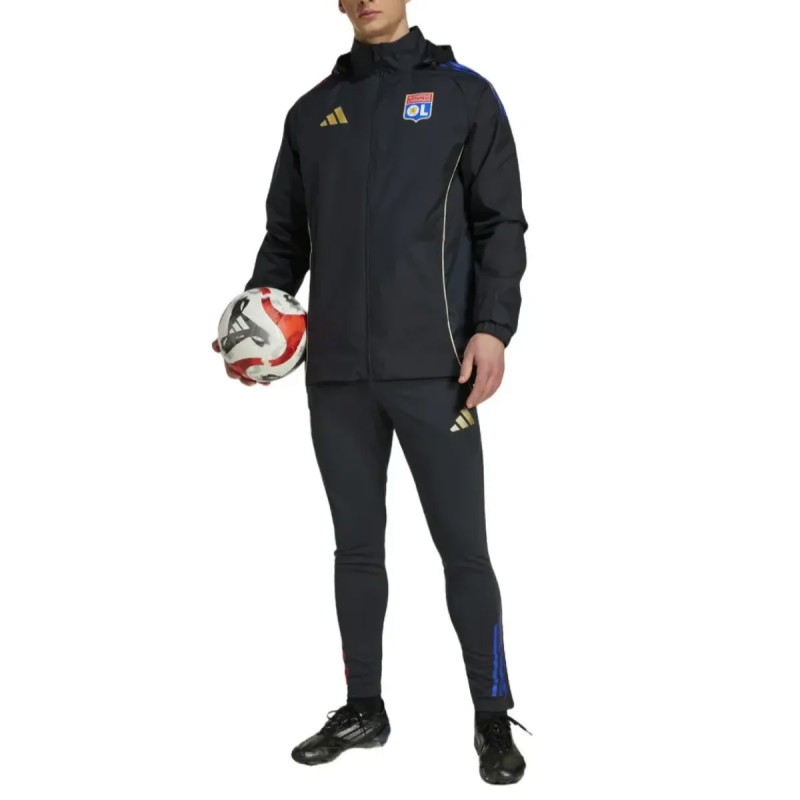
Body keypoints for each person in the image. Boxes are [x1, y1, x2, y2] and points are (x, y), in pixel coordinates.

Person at [213, 0, 528, 785]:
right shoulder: (311, 113)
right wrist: (253, 320)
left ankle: (492, 715)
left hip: (437, 369)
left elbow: (500, 224)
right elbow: (285, 240)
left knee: (464, 550)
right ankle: (364, 709)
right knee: (355, 549)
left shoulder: (464, 94)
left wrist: (493, 328)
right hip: (338, 375)